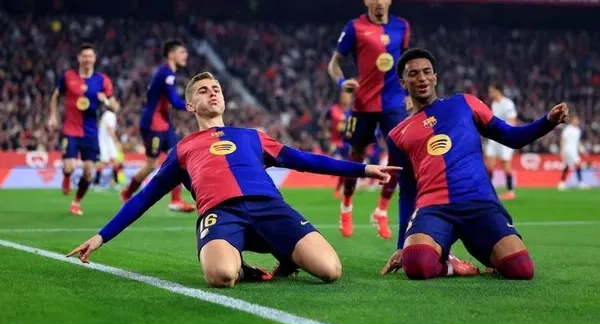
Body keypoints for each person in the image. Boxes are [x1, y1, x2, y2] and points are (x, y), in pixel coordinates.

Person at [67, 72, 399, 288]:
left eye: (216, 89)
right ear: (190, 105)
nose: (212, 94)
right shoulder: (182, 149)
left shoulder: (252, 136)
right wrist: (101, 237)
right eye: (203, 91)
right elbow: (145, 197)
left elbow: (304, 160)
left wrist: (363, 169)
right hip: (221, 215)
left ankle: (284, 253)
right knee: (222, 276)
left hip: (270, 208)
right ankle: (241, 265)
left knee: (330, 271)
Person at [380, 48, 570, 280]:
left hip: (479, 203)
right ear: (403, 82)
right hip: (433, 208)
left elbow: (511, 137)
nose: (422, 78)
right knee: (416, 265)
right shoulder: (397, 135)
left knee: (521, 269)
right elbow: (408, 191)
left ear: (435, 77)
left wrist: (547, 121)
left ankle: (488, 254)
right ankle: (451, 265)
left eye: (427, 72)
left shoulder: (465, 103)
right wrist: (402, 245)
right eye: (413, 73)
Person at [327, 0, 410, 239]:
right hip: (363, 103)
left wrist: (409, 94)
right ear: (366, 1)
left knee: (399, 158)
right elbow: (334, 64)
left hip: (394, 103)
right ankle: (346, 207)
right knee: (356, 157)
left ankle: (381, 211)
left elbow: (406, 63)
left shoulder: (402, 26)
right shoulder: (355, 27)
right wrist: (342, 82)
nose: (379, 1)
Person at [121, 39, 194, 212]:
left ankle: (176, 200)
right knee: (151, 164)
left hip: (163, 123)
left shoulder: (167, 73)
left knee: (178, 157)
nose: (185, 55)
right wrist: (194, 106)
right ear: (171, 54)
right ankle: (127, 193)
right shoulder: (166, 73)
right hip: (153, 124)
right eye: (182, 52)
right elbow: (174, 101)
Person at [47, 43, 118, 215]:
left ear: (94, 59)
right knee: (69, 166)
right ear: (79, 58)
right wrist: (53, 115)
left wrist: (105, 101)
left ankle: (76, 202)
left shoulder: (102, 80)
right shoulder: (68, 76)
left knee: (88, 173)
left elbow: (115, 107)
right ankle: (66, 176)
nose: (87, 59)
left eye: (90, 56)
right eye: (84, 56)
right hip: (70, 129)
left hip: (90, 132)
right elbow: (56, 96)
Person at [485, 83, 518, 200]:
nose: (490, 94)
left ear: (498, 91)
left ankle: (510, 192)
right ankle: (488, 191)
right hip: (494, 138)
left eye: (491, 91)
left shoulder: (508, 103)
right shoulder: (494, 104)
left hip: (505, 137)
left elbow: (512, 120)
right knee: (489, 163)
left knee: (506, 164)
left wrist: (509, 135)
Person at [319, 90, 352, 198]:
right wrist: (325, 132)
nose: (345, 98)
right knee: (338, 162)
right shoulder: (333, 109)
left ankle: (338, 189)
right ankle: (332, 171)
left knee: (346, 168)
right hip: (335, 142)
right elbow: (323, 120)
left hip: (347, 144)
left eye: (347, 96)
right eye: (343, 96)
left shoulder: (352, 111)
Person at [93, 101, 123, 190]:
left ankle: (115, 183)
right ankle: (96, 183)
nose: (118, 106)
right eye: (116, 104)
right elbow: (111, 130)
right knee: (104, 162)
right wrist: (116, 142)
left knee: (115, 161)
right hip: (105, 142)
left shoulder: (107, 114)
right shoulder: (110, 115)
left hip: (107, 141)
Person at [558, 115, 587, 190]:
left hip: (574, 151)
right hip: (568, 150)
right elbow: (563, 139)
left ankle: (561, 183)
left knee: (567, 165)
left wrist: (581, 148)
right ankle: (580, 183)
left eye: (578, 120)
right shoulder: (568, 129)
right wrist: (562, 150)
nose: (577, 121)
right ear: (572, 120)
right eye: (576, 120)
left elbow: (577, 141)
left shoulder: (578, 130)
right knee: (578, 163)